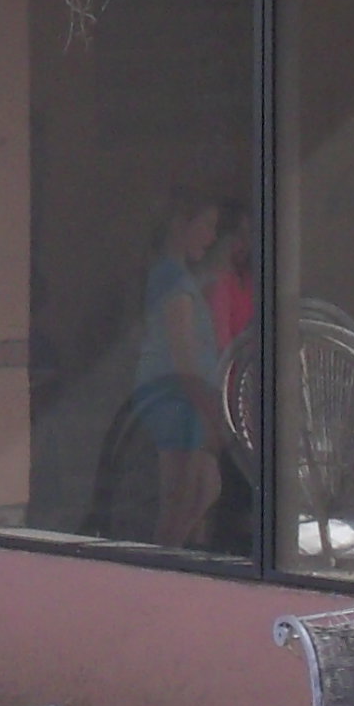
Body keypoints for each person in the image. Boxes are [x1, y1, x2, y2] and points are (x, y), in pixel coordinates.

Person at [131, 190, 236, 550]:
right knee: (180, 502)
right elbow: (184, 360)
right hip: (175, 400)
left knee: (205, 489)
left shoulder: (181, 277)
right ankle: (160, 572)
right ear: (180, 225)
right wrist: (213, 414)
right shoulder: (170, 279)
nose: (211, 237)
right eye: (206, 225)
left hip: (188, 400)